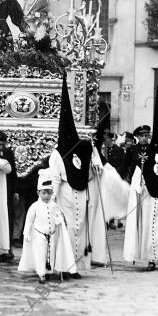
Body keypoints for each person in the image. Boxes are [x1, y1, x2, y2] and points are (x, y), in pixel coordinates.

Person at [50, 75, 104, 277]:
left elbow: (96, 164)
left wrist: (96, 165)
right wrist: (52, 200)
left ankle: (77, 266)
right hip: (64, 194)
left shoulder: (83, 148)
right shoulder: (56, 153)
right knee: (64, 229)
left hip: (81, 194)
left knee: (79, 229)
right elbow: (55, 178)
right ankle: (62, 265)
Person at [123, 97, 158, 271]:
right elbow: (128, 168)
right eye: (143, 136)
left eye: (148, 135)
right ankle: (150, 258)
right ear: (138, 137)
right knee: (147, 225)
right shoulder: (133, 150)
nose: (146, 138)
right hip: (144, 191)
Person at [18, 168, 76, 284]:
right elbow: (29, 221)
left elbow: (59, 217)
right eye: (44, 193)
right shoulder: (34, 206)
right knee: (40, 254)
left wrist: (59, 220)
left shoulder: (55, 206)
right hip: (39, 235)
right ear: (38, 193)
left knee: (51, 254)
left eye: (49, 193)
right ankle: (41, 274)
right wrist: (26, 233)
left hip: (52, 235)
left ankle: (49, 272)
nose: (46, 196)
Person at [0, 130, 18, 263]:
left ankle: (7, 248)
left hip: (6, 189)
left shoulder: (8, 153)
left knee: (7, 217)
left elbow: (13, 173)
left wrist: (15, 191)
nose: (1, 147)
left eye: (3, 144)